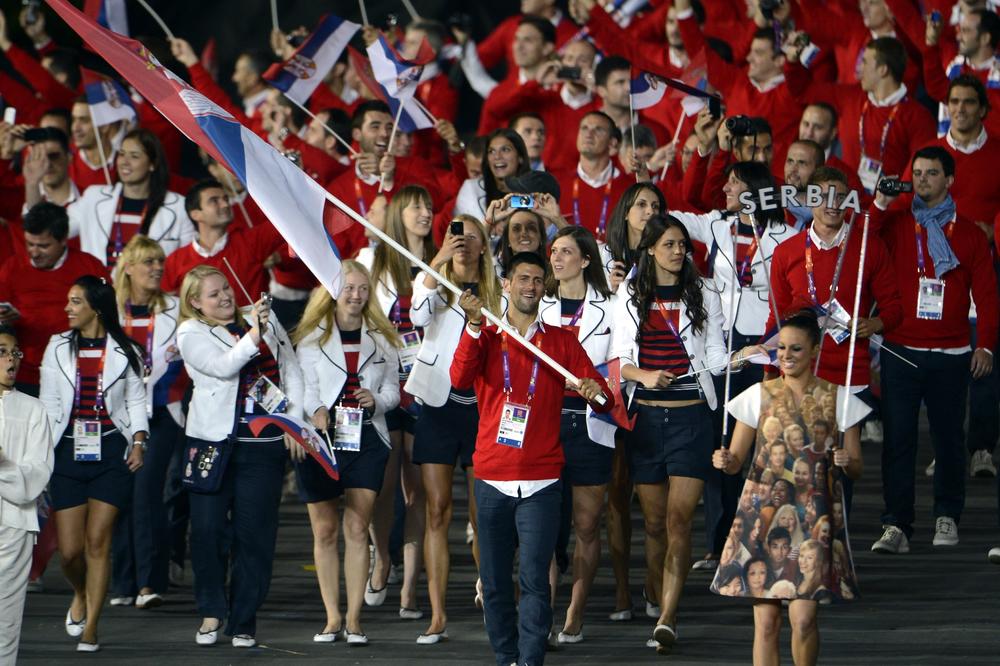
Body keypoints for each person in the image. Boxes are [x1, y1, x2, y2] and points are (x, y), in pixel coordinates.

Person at [452, 251, 612, 666]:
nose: (531, 286)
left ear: (546, 287)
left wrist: (598, 393)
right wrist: (471, 326)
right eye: (523, 278)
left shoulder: (560, 341)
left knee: (536, 580)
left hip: (542, 479)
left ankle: (529, 660)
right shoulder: (486, 334)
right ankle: (507, 656)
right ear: (506, 283)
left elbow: (596, 386)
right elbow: (458, 378)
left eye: (539, 280)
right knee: (495, 581)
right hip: (491, 476)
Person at [712, 311, 868, 666]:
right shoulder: (757, 395)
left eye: (795, 348)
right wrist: (724, 461)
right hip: (761, 517)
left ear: (814, 349)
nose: (785, 355)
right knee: (766, 624)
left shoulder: (839, 398)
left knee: (804, 619)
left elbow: (856, 468)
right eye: (780, 348)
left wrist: (846, 460)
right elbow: (737, 460)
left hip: (813, 519)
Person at [870, 146, 998, 553]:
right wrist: (881, 200)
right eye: (918, 173)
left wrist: (987, 348)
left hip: (952, 353)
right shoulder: (895, 224)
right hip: (900, 350)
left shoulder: (972, 235)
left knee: (947, 440)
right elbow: (862, 238)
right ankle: (897, 525)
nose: (922, 179)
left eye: (931, 173)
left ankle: (947, 515)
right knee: (899, 440)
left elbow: (989, 297)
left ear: (950, 180)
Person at [611, 214, 728, 653]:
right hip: (647, 420)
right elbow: (619, 358)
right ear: (651, 249)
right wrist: (644, 375)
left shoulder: (705, 291)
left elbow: (714, 352)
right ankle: (654, 590)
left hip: (692, 418)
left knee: (680, 521)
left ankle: (668, 616)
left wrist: (733, 360)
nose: (679, 251)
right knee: (655, 525)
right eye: (670, 244)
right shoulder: (630, 293)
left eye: (683, 244)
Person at [176, 265, 303, 648]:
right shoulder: (190, 332)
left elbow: (291, 369)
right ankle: (212, 609)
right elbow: (222, 367)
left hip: (262, 448)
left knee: (255, 536)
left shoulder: (261, 317)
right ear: (195, 302)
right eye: (213, 294)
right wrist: (254, 334)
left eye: (226, 288)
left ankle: (244, 619)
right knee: (208, 531)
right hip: (213, 444)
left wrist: (293, 422)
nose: (226, 296)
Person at [406, 214, 502, 644]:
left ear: (484, 244)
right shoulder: (432, 280)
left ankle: (490, 593)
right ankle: (438, 613)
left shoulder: (497, 288)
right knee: (437, 510)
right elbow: (416, 315)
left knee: (483, 515)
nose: (462, 242)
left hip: (483, 409)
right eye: (454, 234)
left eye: (470, 236)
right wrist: (438, 259)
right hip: (438, 407)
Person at [293, 262, 401, 645]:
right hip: (321, 438)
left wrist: (376, 402)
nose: (356, 296)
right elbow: (301, 385)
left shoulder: (382, 336)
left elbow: (393, 392)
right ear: (332, 292)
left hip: (367, 437)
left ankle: (355, 620)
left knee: (357, 527)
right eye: (348, 289)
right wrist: (314, 410)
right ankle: (332, 618)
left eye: (362, 288)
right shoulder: (311, 337)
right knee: (324, 530)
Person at [39, 275, 148, 652]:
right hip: (67, 452)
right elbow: (49, 403)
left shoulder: (127, 350)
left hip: (111, 453)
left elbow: (136, 401)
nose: (67, 308)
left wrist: (138, 440)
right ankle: (81, 593)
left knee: (98, 541)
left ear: (95, 308)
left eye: (75, 302)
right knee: (69, 551)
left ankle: (92, 627)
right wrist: (43, 450)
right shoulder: (56, 348)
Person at [357, 186, 436, 618]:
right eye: (415, 206)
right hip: (384, 383)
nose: (424, 212)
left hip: (426, 386)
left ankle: (409, 584)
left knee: (418, 488)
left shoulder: (440, 258)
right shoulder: (373, 260)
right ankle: (382, 555)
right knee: (382, 485)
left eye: (427, 205)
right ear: (397, 215)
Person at [540, 226, 617, 643]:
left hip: (590, 426)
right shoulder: (540, 304)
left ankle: (575, 610)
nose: (556, 258)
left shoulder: (612, 305)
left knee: (587, 525)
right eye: (554, 251)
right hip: (546, 424)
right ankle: (543, 612)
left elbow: (622, 363)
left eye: (566, 251)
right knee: (548, 525)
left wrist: (595, 382)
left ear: (586, 260)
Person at [108, 236, 187, 609]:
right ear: (129, 267)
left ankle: (149, 582)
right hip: (117, 417)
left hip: (161, 415)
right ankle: (123, 581)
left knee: (146, 492)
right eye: (148, 262)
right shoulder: (109, 311)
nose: (157, 268)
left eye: (159, 261)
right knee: (120, 496)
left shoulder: (174, 308)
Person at [0, 202, 108, 394]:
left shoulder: (90, 267)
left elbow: (108, 316)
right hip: (24, 375)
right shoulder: (12, 268)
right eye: (30, 244)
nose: (34, 252)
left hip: (78, 373)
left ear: (64, 239)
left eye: (43, 246)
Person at [0, 324, 54, 663]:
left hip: (14, 525)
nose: (11, 359)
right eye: (3, 351)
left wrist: (3, 467)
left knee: (5, 617)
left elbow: (35, 478)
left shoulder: (34, 410)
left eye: (15, 352)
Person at [67, 128, 193, 269]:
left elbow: (188, 262)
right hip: (101, 289)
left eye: (134, 156)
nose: (124, 162)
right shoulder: (93, 197)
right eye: (121, 154)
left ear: (152, 164)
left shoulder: (179, 207)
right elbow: (58, 229)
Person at [161, 179, 285, 306]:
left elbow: (287, 219)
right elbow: (165, 305)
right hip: (202, 326)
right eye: (214, 201)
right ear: (196, 214)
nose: (225, 204)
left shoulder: (252, 241)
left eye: (226, 199)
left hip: (256, 324)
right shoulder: (175, 261)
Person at [555, 111, 632, 242]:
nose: (589, 134)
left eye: (598, 129)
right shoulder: (556, 182)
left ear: (613, 143)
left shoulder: (630, 187)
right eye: (584, 128)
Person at [455, 128, 531, 220]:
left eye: (505, 150)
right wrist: (488, 226)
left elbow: (547, 228)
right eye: (491, 151)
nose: (497, 156)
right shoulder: (471, 188)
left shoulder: (535, 191)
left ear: (520, 157)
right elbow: (456, 228)